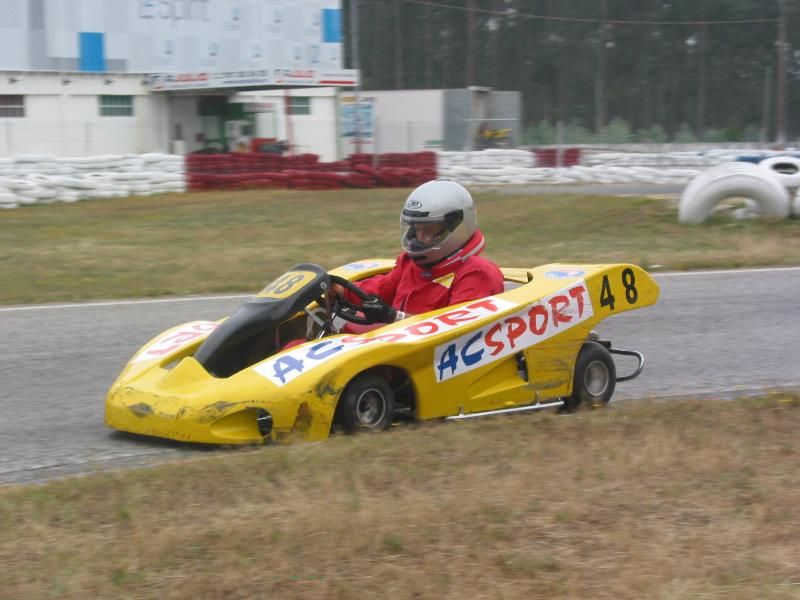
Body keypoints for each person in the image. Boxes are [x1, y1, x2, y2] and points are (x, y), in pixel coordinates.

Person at [336, 178, 505, 327]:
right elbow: (382, 288)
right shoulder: (410, 264)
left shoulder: (477, 273)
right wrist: (340, 289)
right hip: (396, 348)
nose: (420, 237)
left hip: (433, 359)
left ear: (457, 226)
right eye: (417, 229)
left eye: (429, 229)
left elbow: (458, 332)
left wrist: (392, 317)